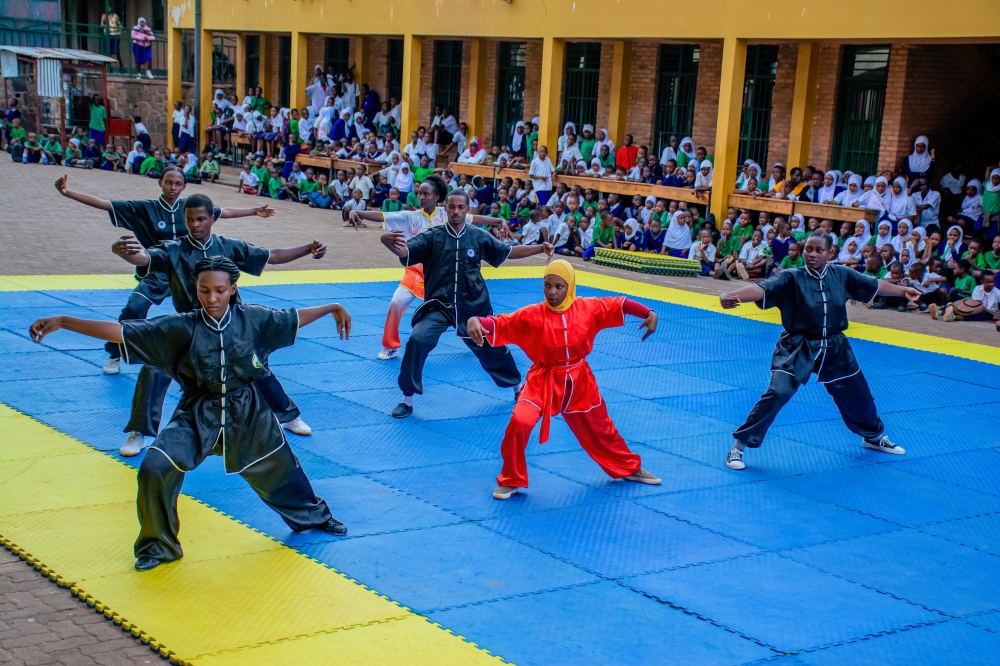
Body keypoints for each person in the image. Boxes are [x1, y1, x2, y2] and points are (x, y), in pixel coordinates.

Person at [29, 257, 351, 572]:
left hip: (248, 413)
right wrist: (65, 321)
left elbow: (293, 318)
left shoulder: (254, 318)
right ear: (195, 289)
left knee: (283, 472)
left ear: (233, 288)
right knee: (155, 467)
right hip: (197, 413)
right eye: (204, 290)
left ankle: (315, 517)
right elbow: (122, 332)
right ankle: (158, 546)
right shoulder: (180, 327)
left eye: (220, 291)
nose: (212, 298)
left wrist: (332, 307)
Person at [52, 171, 281, 444]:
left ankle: (286, 413)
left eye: (178, 183)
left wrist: (254, 210)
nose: (173, 187)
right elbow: (106, 205)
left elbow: (228, 214)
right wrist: (68, 193)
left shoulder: (207, 224)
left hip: (195, 284)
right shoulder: (146, 209)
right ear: (160, 183)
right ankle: (117, 358)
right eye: (169, 182)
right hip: (160, 270)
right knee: (135, 312)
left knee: (253, 363)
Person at [721, 232, 920, 469]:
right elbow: (762, 289)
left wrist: (902, 291)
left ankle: (873, 437)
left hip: (835, 348)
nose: (812, 254)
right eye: (809, 249)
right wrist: (733, 296)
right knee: (778, 392)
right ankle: (739, 446)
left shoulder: (842, 274)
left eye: (819, 250)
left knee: (858, 395)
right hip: (797, 347)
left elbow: (874, 284)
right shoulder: (790, 276)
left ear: (830, 253)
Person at [466, 260, 661, 499]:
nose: (552, 292)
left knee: (601, 429)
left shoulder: (588, 308)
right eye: (547, 286)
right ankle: (511, 479)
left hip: (579, 382)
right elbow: (501, 323)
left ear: (570, 286)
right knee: (520, 421)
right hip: (542, 381)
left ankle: (629, 468)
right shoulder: (532, 315)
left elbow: (619, 303)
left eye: (559, 286)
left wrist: (648, 313)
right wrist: (475, 321)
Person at [375, 188, 554, 418]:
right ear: (445, 209)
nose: (456, 211)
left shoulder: (477, 236)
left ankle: (518, 388)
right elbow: (405, 251)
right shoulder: (433, 236)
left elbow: (508, 251)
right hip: (439, 305)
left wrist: (540, 247)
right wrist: (386, 241)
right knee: (417, 339)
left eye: (461, 207)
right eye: (452, 207)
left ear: (467, 210)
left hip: (473, 306)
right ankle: (407, 399)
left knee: (491, 347)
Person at [348, 175, 507, 360]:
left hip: (443, 274)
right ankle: (390, 345)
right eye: (419, 194)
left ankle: (476, 337)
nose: (421, 197)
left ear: (436, 197)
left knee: (462, 307)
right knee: (396, 303)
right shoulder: (410, 216)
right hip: (416, 273)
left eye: (426, 194)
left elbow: (474, 219)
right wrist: (357, 213)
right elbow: (382, 216)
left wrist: (498, 221)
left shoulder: (448, 212)